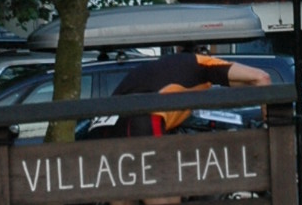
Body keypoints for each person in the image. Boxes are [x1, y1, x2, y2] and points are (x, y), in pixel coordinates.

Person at [113, 46, 271, 137]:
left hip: (109, 127)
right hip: (145, 121)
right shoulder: (202, 63)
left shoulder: (167, 66)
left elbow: (245, 82)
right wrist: (268, 123)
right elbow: (261, 78)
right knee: (163, 178)